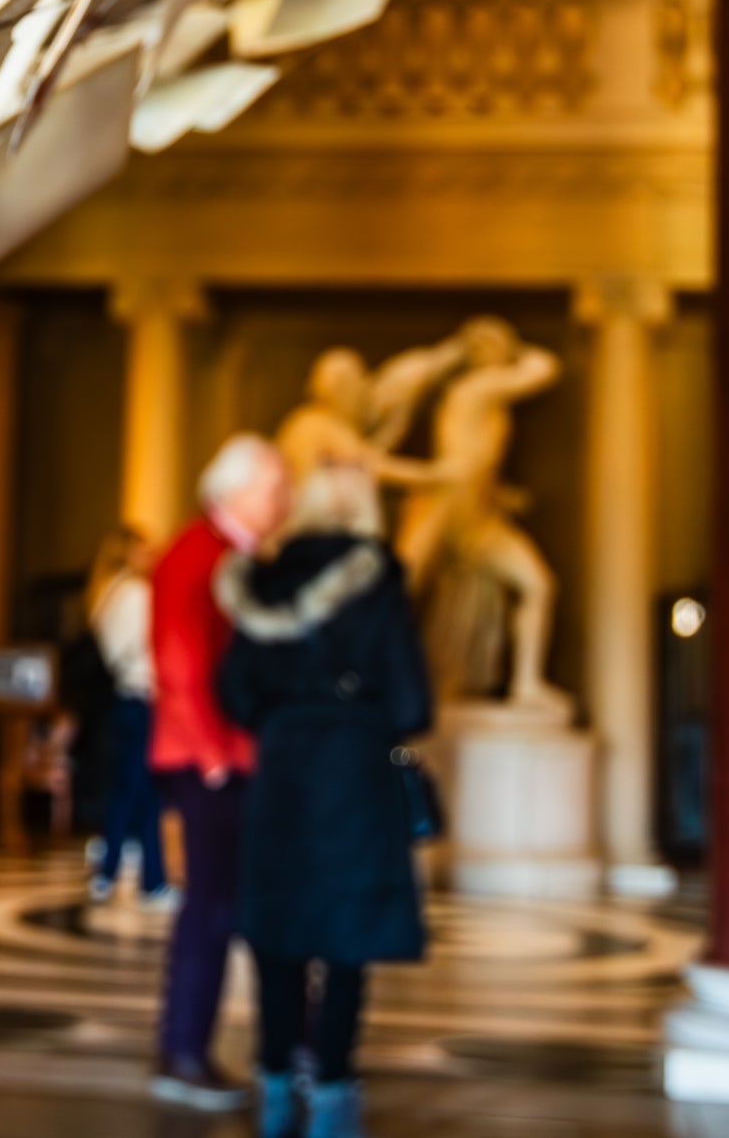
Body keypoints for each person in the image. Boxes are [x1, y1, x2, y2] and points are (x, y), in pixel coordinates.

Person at [217, 465, 433, 1138]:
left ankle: (276, 1084)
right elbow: (411, 701)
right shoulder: (378, 581)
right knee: (348, 938)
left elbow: (233, 690)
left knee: (278, 934)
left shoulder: (263, 581)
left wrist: (285, 714)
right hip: (355, 772)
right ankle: (333, 1093)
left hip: (282, 770)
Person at [146, 433, 291, 1110]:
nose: (283, 500)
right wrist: (213, 756)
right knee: (210, 910)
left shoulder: (233, 555)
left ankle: (198, 1049)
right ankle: (183, 1054)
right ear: (235, 493)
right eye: (273, 488)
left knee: (226, 905)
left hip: (228, 759)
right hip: (209, 762)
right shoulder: (195, 554)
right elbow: (180, 663)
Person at [82, 526, 170, 907]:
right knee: (146, 795)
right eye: (146, 550)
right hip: (142, 697)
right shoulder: (138, 594)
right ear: (129, 553)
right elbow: (155, 646)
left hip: (119, 701)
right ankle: (149, 881)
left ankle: (110, 872)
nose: (153, 557)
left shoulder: (105, 594)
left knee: (123, 792)